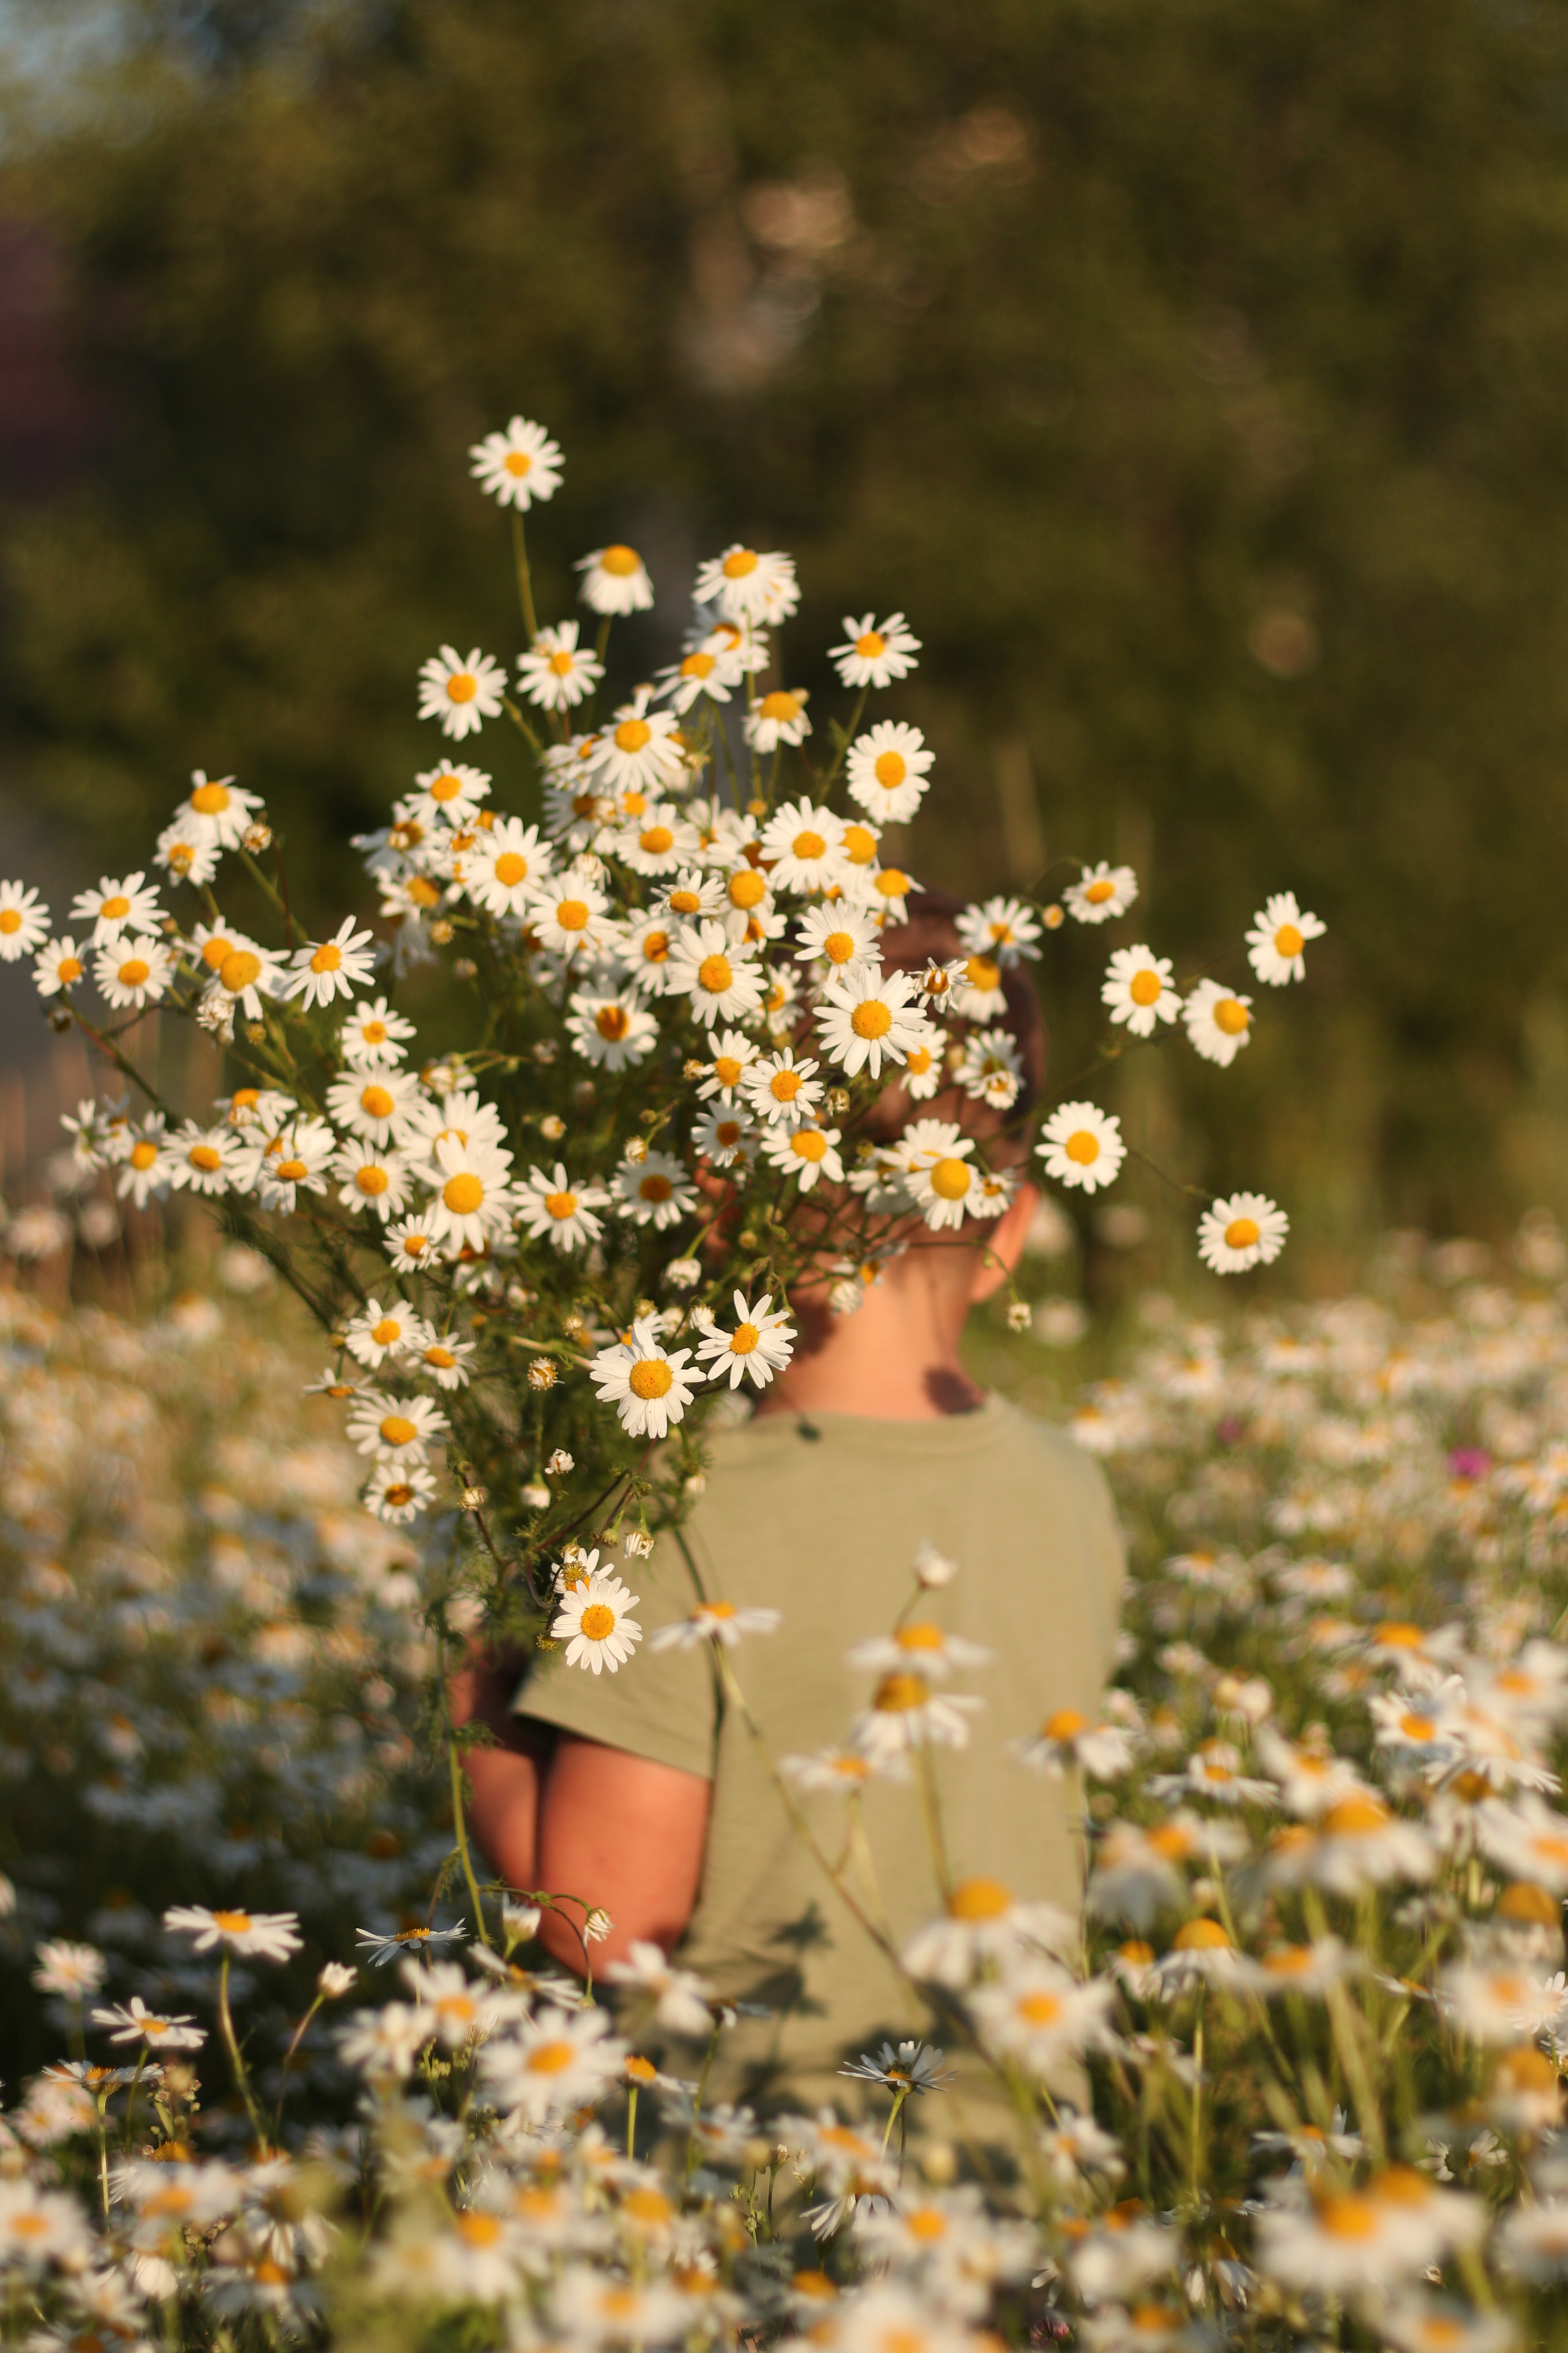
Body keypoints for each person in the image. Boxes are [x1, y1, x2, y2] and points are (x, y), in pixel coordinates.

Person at [450, 894, 1126, 2112]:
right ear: (1012, 1228)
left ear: (718, 1207)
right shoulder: (1070, 1489)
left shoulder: (681, 1513)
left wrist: (474, 1697)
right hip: (1034, 2213)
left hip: (770, 2213)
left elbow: (603, 1925)